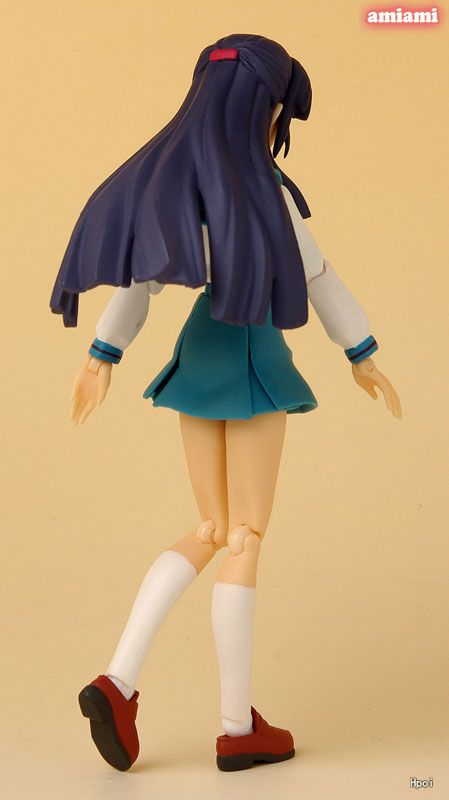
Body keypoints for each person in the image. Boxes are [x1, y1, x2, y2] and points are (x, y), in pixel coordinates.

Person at [50, 34, 402, 773]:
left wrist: (100, 357)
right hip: (251, 360)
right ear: (264, 110)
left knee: (209, 527)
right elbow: (320, 280)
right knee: (243, 535)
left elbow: (139, 287)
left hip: (197, 359)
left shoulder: (172, 186)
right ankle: (237, 727)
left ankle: (117, 680)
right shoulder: (267, 194)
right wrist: (362, 355)